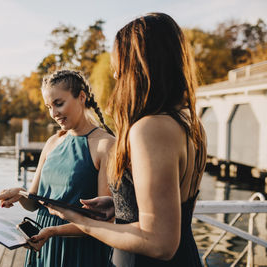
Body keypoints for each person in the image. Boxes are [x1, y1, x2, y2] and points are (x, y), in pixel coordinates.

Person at [45, 13, 207, 267]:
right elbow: (171, 206)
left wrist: (84, 223)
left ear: (139, 66)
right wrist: (119, 205)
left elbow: (160, 242)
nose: (114, 74)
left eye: (119, 67)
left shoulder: (149, 129)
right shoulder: (188, 123)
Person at [0, 69, 115, 267]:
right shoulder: (52, 142)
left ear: (81, 97)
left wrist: (54, 231)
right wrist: (20, 194)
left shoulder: (106, 145)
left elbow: (103, 221)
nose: (53, 114)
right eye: (49, 106)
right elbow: (34, 203)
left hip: (81, 250)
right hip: (43, 243)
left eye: (59, 103)